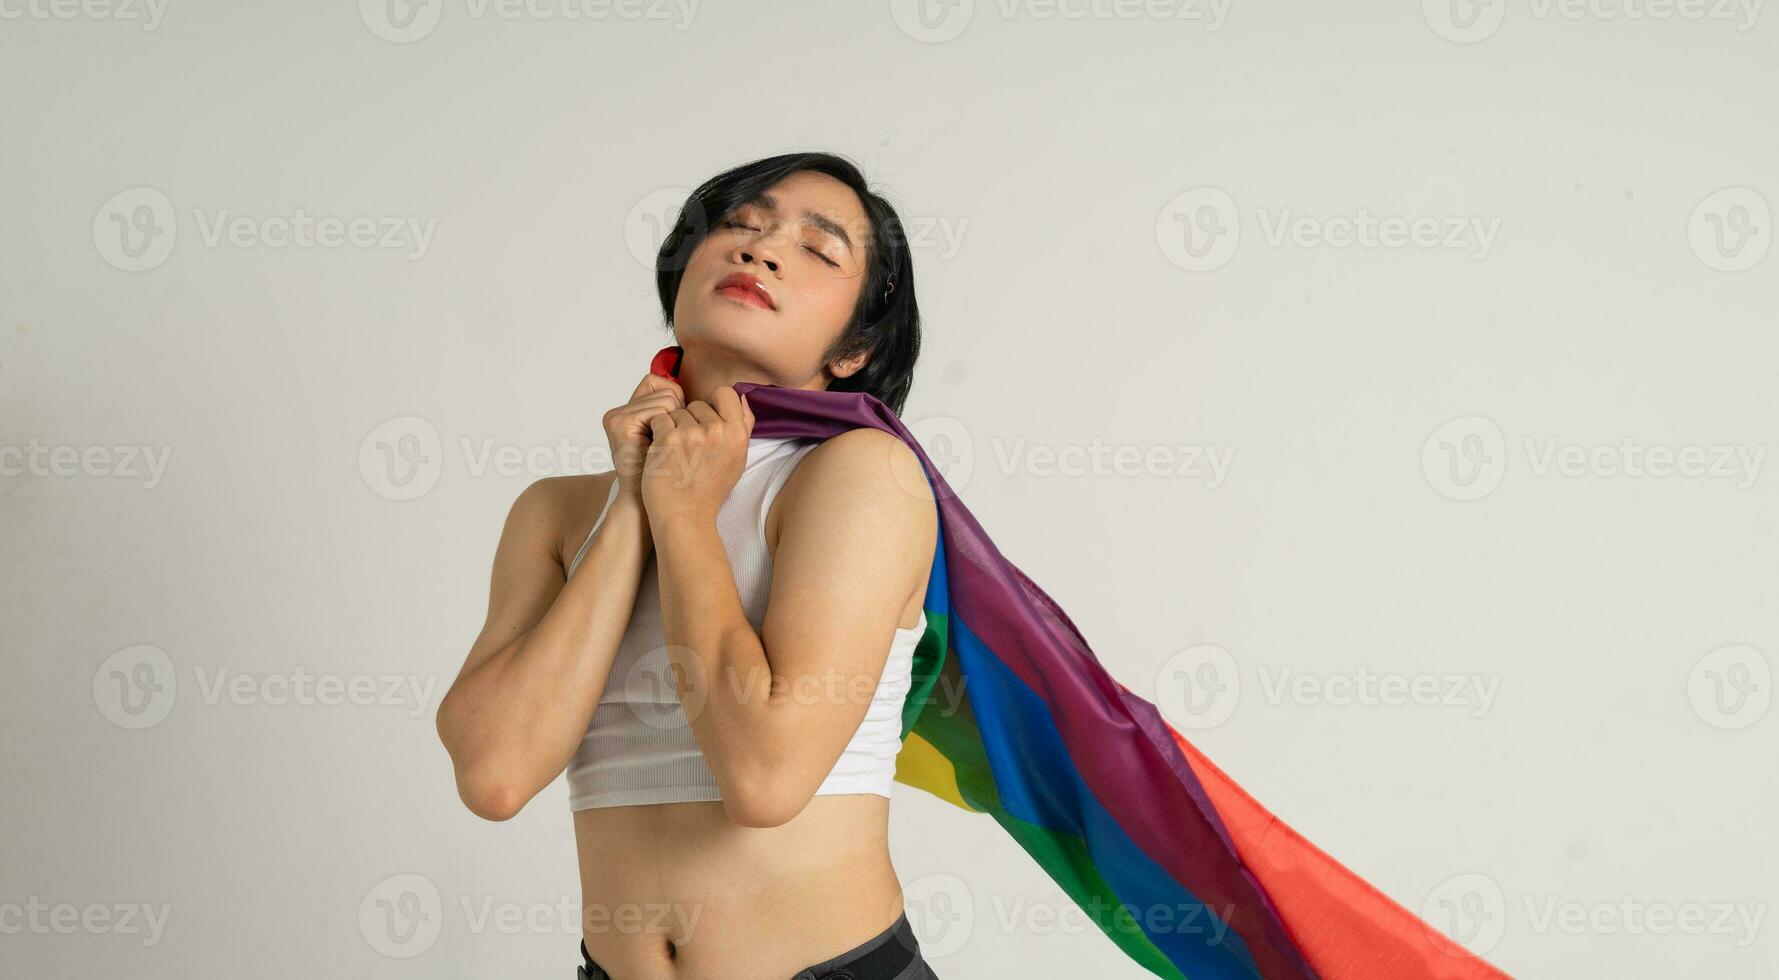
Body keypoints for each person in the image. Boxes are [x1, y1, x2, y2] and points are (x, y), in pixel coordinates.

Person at [435, 151, 944, 979]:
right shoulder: (558, 512)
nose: (759, 250)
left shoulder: (856, 475)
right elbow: (493, 775)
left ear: (853, 350)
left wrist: (683, 518)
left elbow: (765, 779)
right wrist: (636, 498)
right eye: (738, 226)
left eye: (818, 250)